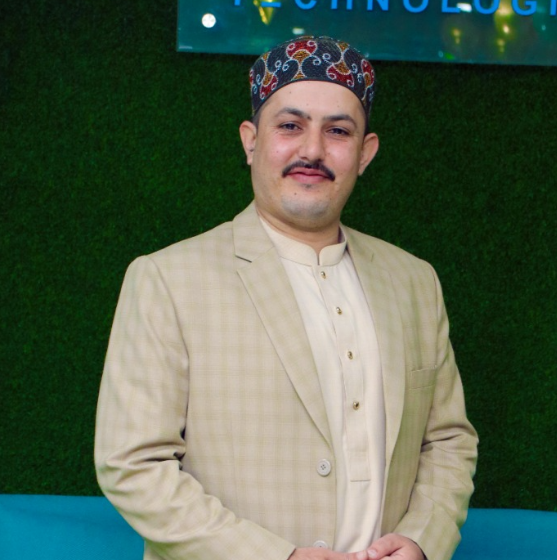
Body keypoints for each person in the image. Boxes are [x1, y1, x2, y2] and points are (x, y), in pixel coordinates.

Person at [95, 36, 477, 560]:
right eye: (291, 126)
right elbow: (133, 465)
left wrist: (422, 541)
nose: (312, 151)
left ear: (365, 153)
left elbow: (448, 441)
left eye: (337, 131)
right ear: (251, 141)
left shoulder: (413, 282)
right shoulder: (168, 279)